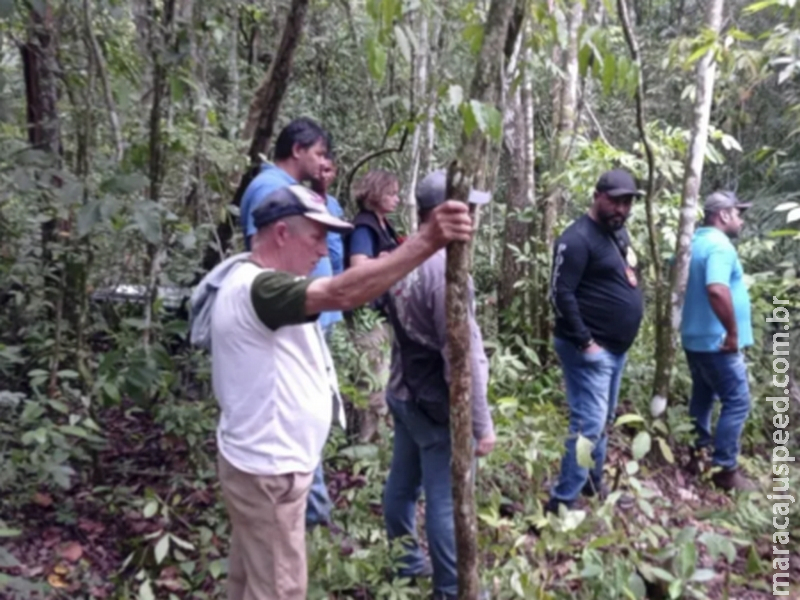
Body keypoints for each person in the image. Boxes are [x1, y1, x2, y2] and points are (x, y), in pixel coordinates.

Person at [202, 183, 474, 600]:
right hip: (270, 473)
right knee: (280, 588)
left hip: (260, 466)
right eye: (316, 237)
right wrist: (426, 241)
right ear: (280, 233)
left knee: (248, 579)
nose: (322, 251)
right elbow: (341, 292)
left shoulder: (259, 282)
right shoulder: (261, 289)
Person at [382, 170, 496, 600]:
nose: (474, 217)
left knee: (403, 478)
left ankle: (405, 559)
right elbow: (461, 356)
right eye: (469, 209)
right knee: (446, 499)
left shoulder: (404, 256)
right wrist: (480, 425)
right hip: (433, 402)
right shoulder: (445, 271)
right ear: (445, 212)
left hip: (403, 391)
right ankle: (451, 588)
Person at [239, 118, 341, 528]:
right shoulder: (269, 190)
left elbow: (324, 226)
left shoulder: (296, 191)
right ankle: (311, 511)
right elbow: (264, 258)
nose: (322, 162)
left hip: (308, 312)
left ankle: (311, 505)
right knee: (295, 408)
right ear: (297, 149)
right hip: (293, 315)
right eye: (318, 154)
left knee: (308, 404)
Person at [546, 169, 645, 514]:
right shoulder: (575, 239)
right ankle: (563, 500)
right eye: (616, 200)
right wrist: (586, 342)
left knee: (601, 419)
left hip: (614, 349)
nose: (622, 208)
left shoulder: (616, 235)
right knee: (588, 423)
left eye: (628, 202)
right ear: (597, 196)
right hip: (587, 350)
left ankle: (591, 483)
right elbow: (560, 294)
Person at [680, 191, 756, 491]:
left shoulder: (693, 243)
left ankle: (697, 453)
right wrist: (733, 333)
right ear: (723, 215)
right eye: (738, 213)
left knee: (703, 396)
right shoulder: (720, 247)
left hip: (694, 338)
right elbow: (716, 289)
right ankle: (725, 469)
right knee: (737, 401)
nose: (741, 220)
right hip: (718, 343)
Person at [344, 169, 403, 442]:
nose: (397, 199)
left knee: (385, 375)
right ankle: (367, 441)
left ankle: (379, 440)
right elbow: (359, 265)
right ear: (376, 194)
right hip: (367, 315)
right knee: (372, 380)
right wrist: (383, 261)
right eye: (391, 193)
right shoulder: (364, 227)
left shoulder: (383, 225)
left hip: (383, 313)